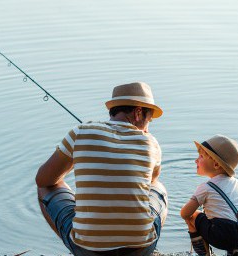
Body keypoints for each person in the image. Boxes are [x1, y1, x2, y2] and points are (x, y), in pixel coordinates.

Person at [35, 82, 168, 256]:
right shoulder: (151, 143)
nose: (148, 127)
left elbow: (43, 180)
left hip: (87, 250)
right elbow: (151, 181)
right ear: (137, 113)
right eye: (149, 120)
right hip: (141, 248)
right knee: (159, 188)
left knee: (45, 187)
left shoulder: (80, 133)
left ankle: (79, 243)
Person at [180, 135, 238, 256]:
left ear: (216, 165)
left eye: (201, 156)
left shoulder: (206, 187)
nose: (196, 160)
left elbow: (184, 213)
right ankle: (235, 251)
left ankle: (204, 253)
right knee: (232, 218)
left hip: (224, 235)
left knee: (192, 216)